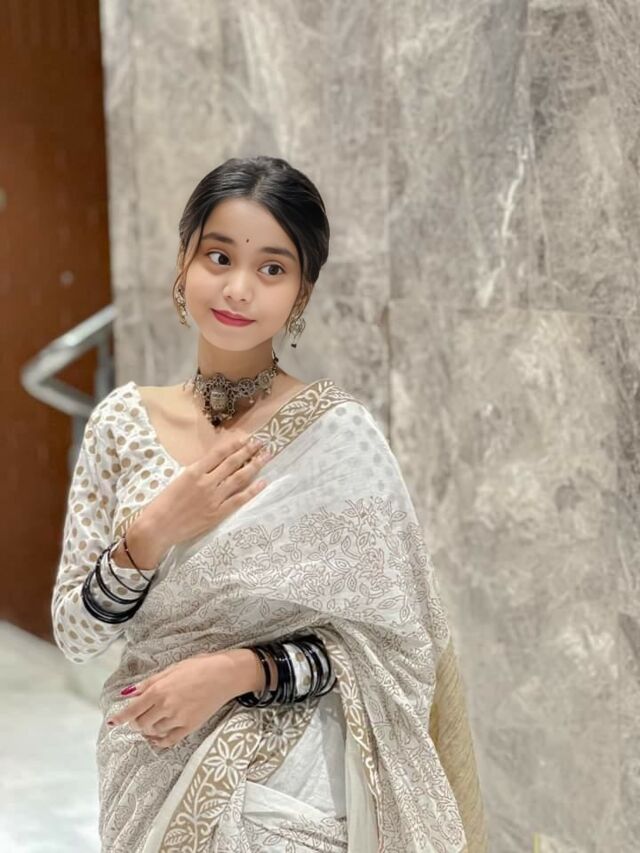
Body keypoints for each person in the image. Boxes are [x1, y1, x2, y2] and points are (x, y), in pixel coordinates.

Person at [52, 155, 488, 852]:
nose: (238, 287)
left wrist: (237, 672)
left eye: (272, 268)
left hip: (296, 784)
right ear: (184, 261)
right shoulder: (120, 424)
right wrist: (153, 531)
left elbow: (394, 647)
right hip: (148, 763)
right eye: (219, 256)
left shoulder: (338, 436)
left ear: (301, 292)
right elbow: (76, 636)